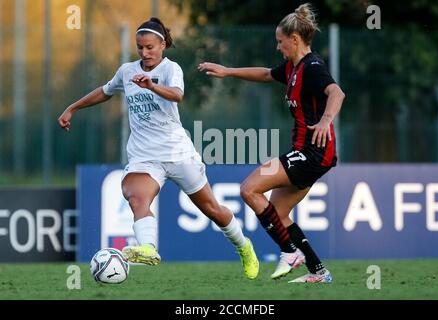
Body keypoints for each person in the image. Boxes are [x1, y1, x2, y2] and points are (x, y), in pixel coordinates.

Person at [58, 17, 259, 280]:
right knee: (136, 197)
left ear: (162, 44)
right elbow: (105, 91)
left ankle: (244, 246)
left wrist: (152, 85)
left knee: (211, 209)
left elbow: (177, 95)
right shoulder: (127, 71)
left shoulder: (170, 69)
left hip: (178, 153)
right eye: (140, 47)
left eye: (150, 47)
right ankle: (149, 249)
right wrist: (72, 107)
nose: (145, 52)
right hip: (145, 156)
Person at [198, 3, 345, 283]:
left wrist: (326, 120)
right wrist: (228, 71)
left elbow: (337, 92)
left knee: (249, 189)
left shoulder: (312, 66)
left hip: (313, 152)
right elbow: (266, 74)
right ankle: (319, 272)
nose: (278, 47)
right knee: (278, 213)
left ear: (294, 38)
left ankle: (289, 252)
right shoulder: (292, 67)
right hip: (309, 153)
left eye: (280, 41)